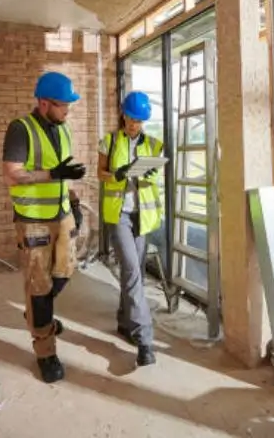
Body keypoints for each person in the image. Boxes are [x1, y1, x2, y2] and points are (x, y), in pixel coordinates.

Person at [2, 71, 87, 383]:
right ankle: (45, 350)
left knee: (64, 272)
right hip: (34, 220)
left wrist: (74, 205)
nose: (67, 110)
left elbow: (62, 173)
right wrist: (52, 174)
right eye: (63, 105)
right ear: (43, 102)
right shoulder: (20, 129)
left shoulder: (63, 131)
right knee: (39, 288)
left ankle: (39, 315)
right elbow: (12, 175)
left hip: (62, 214)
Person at [98, 90, 164, 367]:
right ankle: (144, 339)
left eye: (139, 120)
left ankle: (125, 321)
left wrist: (149, 174)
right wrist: (117, 174)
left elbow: (157, 172)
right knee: (133, 272)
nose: (134, 124)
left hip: (143, 218)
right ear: (123, 114)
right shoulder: (110, 141)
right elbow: (100, 174)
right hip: (119, 216)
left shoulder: (154, 145)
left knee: (132, 271)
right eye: (130, 118)